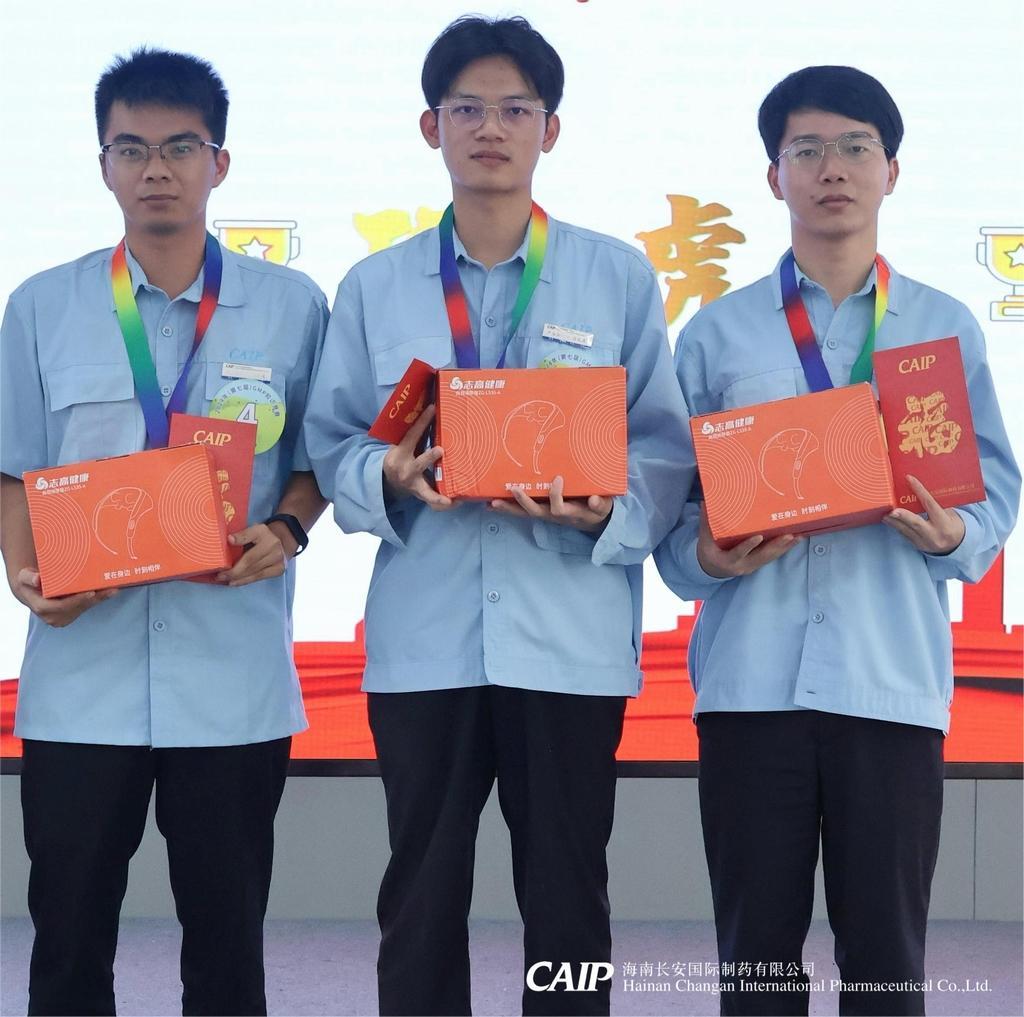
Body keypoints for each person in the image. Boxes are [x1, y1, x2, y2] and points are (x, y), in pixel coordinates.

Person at [303, 15, 691, 1016]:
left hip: (568, 636)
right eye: (467, 108)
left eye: (515, 109)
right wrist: (388, 474)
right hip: (426, 639)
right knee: (420, 891)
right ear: (430, 126)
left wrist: (604, 508)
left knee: (570, 894)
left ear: (549, 130)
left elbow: (664, 446)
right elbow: (331, 441)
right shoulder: (376, 286)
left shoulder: (615, 276)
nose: (490, 127)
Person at [654, 65, 1020, 1017]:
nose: (833, 168)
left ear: (890, 171)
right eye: (807, 149)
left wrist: (953, 534)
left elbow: (995, 492)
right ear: (774, 175)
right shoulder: (717, 335)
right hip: (751, 686)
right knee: (757, 964)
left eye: (857, 147)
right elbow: (673, 519)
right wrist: (706, 557)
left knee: (887, 962)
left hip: (888, 685)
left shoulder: (941, 327)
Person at [0, 47, 327, 1016]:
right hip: (82, 680)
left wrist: (287, 528)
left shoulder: (291, 307)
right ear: (103, 164)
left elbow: (318, 458)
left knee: (226, 945)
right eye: (131, 148)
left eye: (181, 147)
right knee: (67, 939)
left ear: (219, 163)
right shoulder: (42, 306)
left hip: (230, 679)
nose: (156, 170)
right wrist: (23, 572)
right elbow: (14, 464)